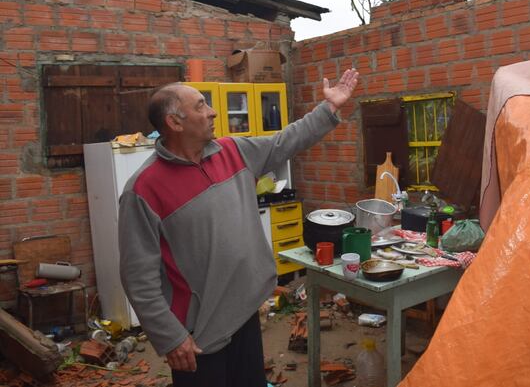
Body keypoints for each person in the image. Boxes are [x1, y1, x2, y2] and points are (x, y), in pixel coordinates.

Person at [118, 69, 359, 387]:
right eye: (201, 105)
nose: (212, 111)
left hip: (244, 310)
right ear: (175, 123)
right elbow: (138, 276)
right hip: (199, 329)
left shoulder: (233, 151)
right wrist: (170, 337)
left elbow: (284, 142)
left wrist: (329, 108)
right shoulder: (144, 189)